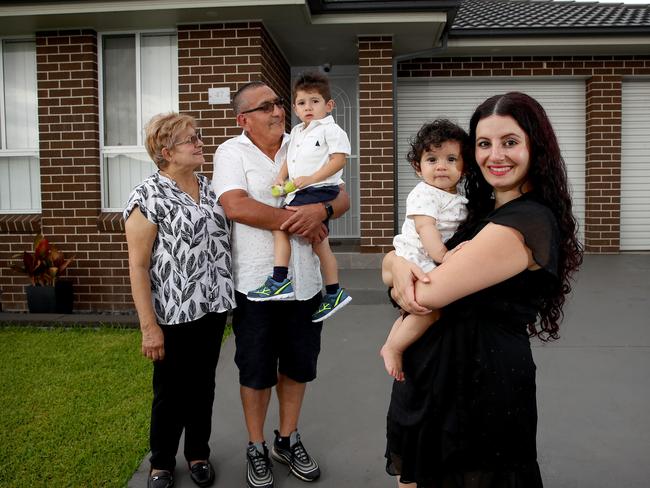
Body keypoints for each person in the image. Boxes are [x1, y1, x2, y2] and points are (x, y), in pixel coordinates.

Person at [383, 92, 583, 487]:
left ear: (534, 147)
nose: (496, 155)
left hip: (480, 385)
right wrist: (395, 264)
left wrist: (398, 273)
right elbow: (397, 265)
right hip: (434, 374)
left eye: (510, 142)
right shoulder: (476, 208)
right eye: (484, 143)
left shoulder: (524, 222)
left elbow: (426, 295)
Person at [212, 81, 350, 488]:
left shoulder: (306, 138)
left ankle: (286, 440)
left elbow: (342, 196)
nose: (279, 110)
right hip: (257, 283)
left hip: (305, 282)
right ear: (244, 119)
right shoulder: (231, 152)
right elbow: (235, 204)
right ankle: (256, 445)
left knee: (297, 366)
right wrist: (298, 220)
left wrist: (321, 210)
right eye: (267, 105)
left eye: (278, 103)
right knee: (255, 370)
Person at [124, 113, 236, 488]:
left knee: (203, 384)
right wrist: (148, 327)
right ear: (165, 151)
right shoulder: (148, 195)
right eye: (191, 139)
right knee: (170, 390)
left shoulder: (209, 187)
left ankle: (198, 453)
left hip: (212, 305)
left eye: (198, 136)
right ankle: (162, 462)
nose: (199, 142)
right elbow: (138, 266)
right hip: (172, 311)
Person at [247, 71, 352, 322]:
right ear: (294, 108)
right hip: (302, 189)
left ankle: (280, 280)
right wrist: (281, 178)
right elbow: (289, 160)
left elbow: (338, 160)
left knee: (281, 225)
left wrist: (312, 179)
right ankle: (334, 292)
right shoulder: (296, 132)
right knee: (319, 243)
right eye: (302, 103)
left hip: (318, 189)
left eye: (315, 102)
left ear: (328, 105)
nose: (308, 107)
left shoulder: (331, 129)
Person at [380, 119, 469, 382]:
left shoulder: (455, 197)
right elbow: (425, 227)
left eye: (451, 159)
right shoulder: (425, 194)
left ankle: (391, 342)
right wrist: (442, 256)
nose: (441, 166)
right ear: (418, 168)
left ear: (463, 168)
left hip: (427, 256)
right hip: (418, 256)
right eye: (432, 159)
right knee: (430, 310)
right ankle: (394, 347)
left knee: (413, 311)